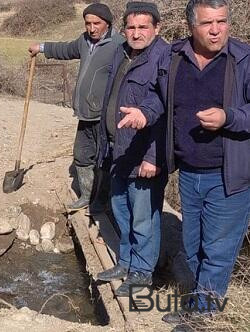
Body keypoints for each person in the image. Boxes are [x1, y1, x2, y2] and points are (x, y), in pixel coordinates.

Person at [118, 0, 250, 327]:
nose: (216, 30)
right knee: (193, 250)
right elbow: (159, 97)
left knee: (216, 254)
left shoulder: (244, 60)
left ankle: (203, 320)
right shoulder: (174, 57)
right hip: (189, 174)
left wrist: (228, 117)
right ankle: (196, 304)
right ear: (192, 26)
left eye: (222, 21)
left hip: (229, 176)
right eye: (207, 23)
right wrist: (144, 113)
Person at [93, 2, 169, 297]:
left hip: (143, 154)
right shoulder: (122, 52)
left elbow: (165, 110)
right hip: (118, 150)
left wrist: (154, 156)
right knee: (121, 210)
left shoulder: (164, 58)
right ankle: (126, 262)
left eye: (143, 27)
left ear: (157, 28)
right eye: (131, 27)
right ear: (124, 29)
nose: (136, 34)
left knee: (143, 217)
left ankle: (142, 272)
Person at [28, 3, 124, 213]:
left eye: (96, 23)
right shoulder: (84, 40)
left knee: (105, 159)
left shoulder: (119, 45)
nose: (91, 28)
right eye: (88, 23)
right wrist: (41, 47)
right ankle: (86, 196)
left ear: (107, 23)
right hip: (85, 114)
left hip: (104, 117)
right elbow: (65, 49)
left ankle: (102, 201)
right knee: (81, 155)